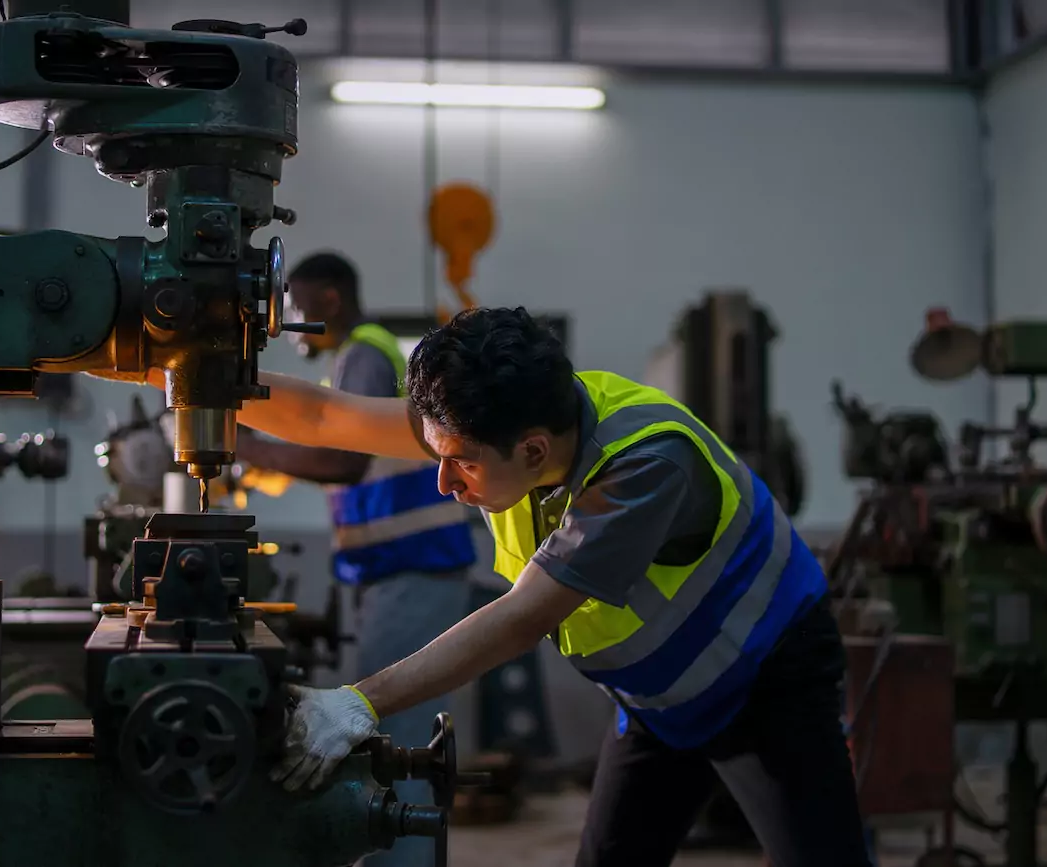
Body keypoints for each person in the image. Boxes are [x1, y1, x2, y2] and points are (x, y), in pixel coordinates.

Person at [137, 306, 871, 867]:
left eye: (458, 463)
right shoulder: (500, 426)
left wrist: (360, 701)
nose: (442, 480)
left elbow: (523, 616)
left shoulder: (646, 465)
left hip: (765, 683)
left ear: (533, 450)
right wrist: (161, 364)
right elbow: (327, 415)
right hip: (658, 702)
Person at [231, 251, 479, 867]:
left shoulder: (365, 351)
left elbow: (344, 460)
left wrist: (251, 446)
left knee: (386, 735)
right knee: (392, 731)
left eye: (296, 299)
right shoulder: (357, 357)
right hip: (398, 571)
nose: (288, 314)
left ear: (331, 299)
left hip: (414, 568)